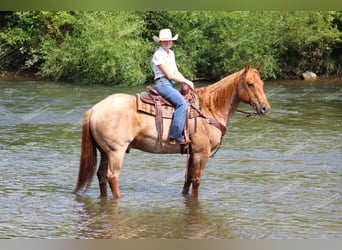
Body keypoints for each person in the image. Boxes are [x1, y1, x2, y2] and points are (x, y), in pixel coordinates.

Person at [151, 28, 194, 145]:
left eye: (169, 40)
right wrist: (186, 82)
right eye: (165, 41)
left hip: (169, 84)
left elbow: (175, 71)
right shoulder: (158, 55)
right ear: (160, 42)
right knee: (182, 103)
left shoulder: (171, 53)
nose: (168, 42)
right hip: (162, 83)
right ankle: (175, 135)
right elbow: (169, 74)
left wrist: (186, 81)